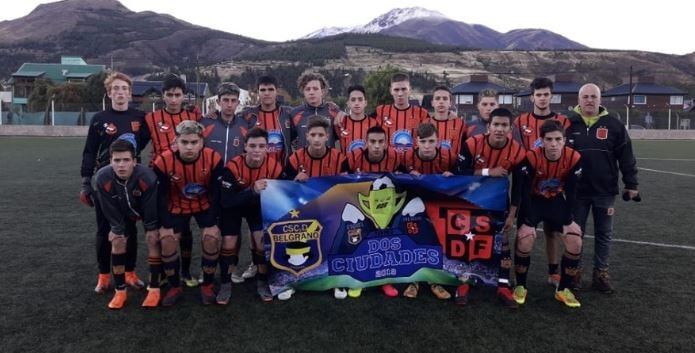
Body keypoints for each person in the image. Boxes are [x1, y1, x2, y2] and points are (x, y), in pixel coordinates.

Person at [80, 71, 149, 295]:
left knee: (130, 228)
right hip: (105, 180)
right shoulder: (100, 118)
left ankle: (129, 272)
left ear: (130, 94)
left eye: (124, 89)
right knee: (104, 229)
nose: (120, 93)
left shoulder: (140, 118)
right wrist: (86, 181)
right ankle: (104, 276)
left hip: (131, 180)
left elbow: (144, 143)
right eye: (115, 89)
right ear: (109, 93)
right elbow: (90, 151)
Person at [566, 83, 639, 293]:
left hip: (605, 191)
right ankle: (574, 273)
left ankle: (601, 274)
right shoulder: (566, 123)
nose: (589, 100)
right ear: (578, 100)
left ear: (600, 100)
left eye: (593, 96)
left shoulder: (614, 125)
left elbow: (627, 157)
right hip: (576, 192)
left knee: (604, 234)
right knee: (574, 235)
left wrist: (631, 184)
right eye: (586, 96)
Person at [455, 108, 526, 308]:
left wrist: (512, 215)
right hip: (471, 200)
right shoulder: (472, 143)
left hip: (498, 203)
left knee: (502, 240)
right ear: (488, 127)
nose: (500, 129)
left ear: (510, 128)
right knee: (467, 239)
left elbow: (519, 188)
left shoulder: (518, 151)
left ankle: (503, 285)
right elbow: (459, 173)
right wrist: (487, 172)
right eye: (496, 124)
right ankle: (463, 283)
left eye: (504, 125)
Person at [152, 120, 223, 306]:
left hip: (204, 204)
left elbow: (216, 193)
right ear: (176, 141)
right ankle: (175, 286)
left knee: (211, 237)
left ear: (201, 142)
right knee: (167, 240)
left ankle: (207, 285)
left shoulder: (213, 158)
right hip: (176, 205)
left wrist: (213, 221)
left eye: (194, 142)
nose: (189, 147)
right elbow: (161, 197)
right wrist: (165, 225)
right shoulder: (163, 161)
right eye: (184, 142)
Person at [513, 120, 583, 308]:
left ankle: (563, 289)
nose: (554, 144)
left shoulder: (574, 158)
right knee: (525, 238)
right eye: (549, 139)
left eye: (558, 139)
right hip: (533, 201)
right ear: (541, 141)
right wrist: (527, 221)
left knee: (575, 240)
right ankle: (520, 286)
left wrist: (569, 220)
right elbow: (524, 191)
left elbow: (572, 191)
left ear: (564, 140)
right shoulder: (531, 157)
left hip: (555, 201)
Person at [513, 77, 571, 288]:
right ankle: (519, 280)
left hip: (554, 187)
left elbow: (568, 153)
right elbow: (518, 153)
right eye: (539, 94)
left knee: (553, 231)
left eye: (546, 94)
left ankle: (553, 272)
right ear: (532, 97)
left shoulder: (563, 121)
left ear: (551, 96)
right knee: (524, 234)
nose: (543, 98)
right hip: (529, 188)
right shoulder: (520, 122)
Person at [144, 73, 201, 287]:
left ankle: (184, 271)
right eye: (170, 95)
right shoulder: (150, 118)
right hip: (160, 180)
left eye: (178, 95)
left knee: (184, 228)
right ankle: (164, 272)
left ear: (184, 96)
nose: (174, 99)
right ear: (163, 96)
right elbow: (136, 143)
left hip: (187, 179)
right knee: (162, 228)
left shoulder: (194, 116)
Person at [281, 116, 347, 300]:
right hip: (303, 211)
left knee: (338, 236)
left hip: (331, 209)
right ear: (307, 137)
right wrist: (294, 181)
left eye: (321, 135)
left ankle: (337, 280)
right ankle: (292, 282)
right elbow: (283, 189)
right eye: (313, 135)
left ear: (327, 137)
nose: (317, 139)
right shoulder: (295, 159)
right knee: (296, 244)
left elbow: (347, 187)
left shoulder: (340, 158)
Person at [218, 128, 285, 303]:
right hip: (234, 206)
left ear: (267, 148)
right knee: (229, 242)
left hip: (256, 207)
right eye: (252, 145)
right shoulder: (232, 167)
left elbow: (283, 192)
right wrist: (251, 190)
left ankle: (262, 282)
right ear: (245, 147)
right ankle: (225, 283)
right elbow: (226, 202)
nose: (257, 150)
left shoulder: (274, 167)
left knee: (261, 242)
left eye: (261, 146)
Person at [94, 138, 158, 309]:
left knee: (153, 238)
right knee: (117, 238)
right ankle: (120, 291)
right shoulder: (102, 178)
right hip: (119, 209)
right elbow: (109, 209)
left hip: (143, 208)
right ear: (110, 161)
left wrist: (151, 227)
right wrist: (117, 229)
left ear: (134, 161)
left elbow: (150, 209)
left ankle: (154, 288)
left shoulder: (147, 177)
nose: (121, 165)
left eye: (126, 160)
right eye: (117, 160)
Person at [343, 125, 401, 299]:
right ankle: (358, 280)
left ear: (386, 143)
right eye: (372, 141)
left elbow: (408, 181)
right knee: (358, 242)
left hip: (385, 210)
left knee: (385, 243)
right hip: (360, 206)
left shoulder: (396, 157)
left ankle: (385, 280)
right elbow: (340, 180)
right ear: (366, 143)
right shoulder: (353, 157)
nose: (376, 145)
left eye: (380, 142)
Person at [399, 122, 454, 300]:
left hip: (437, 206)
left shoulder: (447, 157)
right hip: (413, 207)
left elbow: (463, 180)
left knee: (436, 240)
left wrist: (451, 177)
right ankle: (414, 280)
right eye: (423, 141)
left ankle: (434, 281)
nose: (428, 146)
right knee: (413, 239)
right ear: (416, 142)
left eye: (431, 141)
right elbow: (396, 180)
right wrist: (407, 176)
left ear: (438, 141)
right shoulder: (407, 158)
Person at [374, 73, 429, 152]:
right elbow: (363, 121)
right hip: (389, 161)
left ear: (410, 90)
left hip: (413, 161)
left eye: (404, 89)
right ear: (391, 91)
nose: (400, 93)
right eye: (396, 90)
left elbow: (430, 137)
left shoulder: (422, 113)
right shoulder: (380, 111)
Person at [243, 75, 293, 163]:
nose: (266, 93)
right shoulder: (248, 115)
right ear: (257, 92)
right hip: (256, 170)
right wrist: (215, 114)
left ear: (276, 91)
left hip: (282, 171)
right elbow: (229, 120)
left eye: (270, 89)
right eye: (262, 90)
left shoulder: (288, 114)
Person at [289, 72, 344, 148]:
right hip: (304, 159)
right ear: (303, 92)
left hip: (328, 159)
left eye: (315, 89)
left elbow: (343, 137)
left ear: (322, 91)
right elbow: (288, 139)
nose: (311, 92)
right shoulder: (295, 113)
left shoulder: (334, 112)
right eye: (308, 89)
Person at [336, 85, 380, 154]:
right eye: (353, 100)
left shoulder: (374, 123)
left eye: (360, 99)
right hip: (347, 164)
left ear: (365, 103)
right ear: (348, 103)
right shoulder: (340, 122)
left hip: (368, 164)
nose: (356, 103)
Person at [428, 86, 466, 156]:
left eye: (445, 99)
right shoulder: (425, 123)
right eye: (437, 98)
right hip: (431, 165)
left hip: (454, 166)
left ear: (450, 103)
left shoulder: (461, 124)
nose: (441, 101)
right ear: (432, 103)